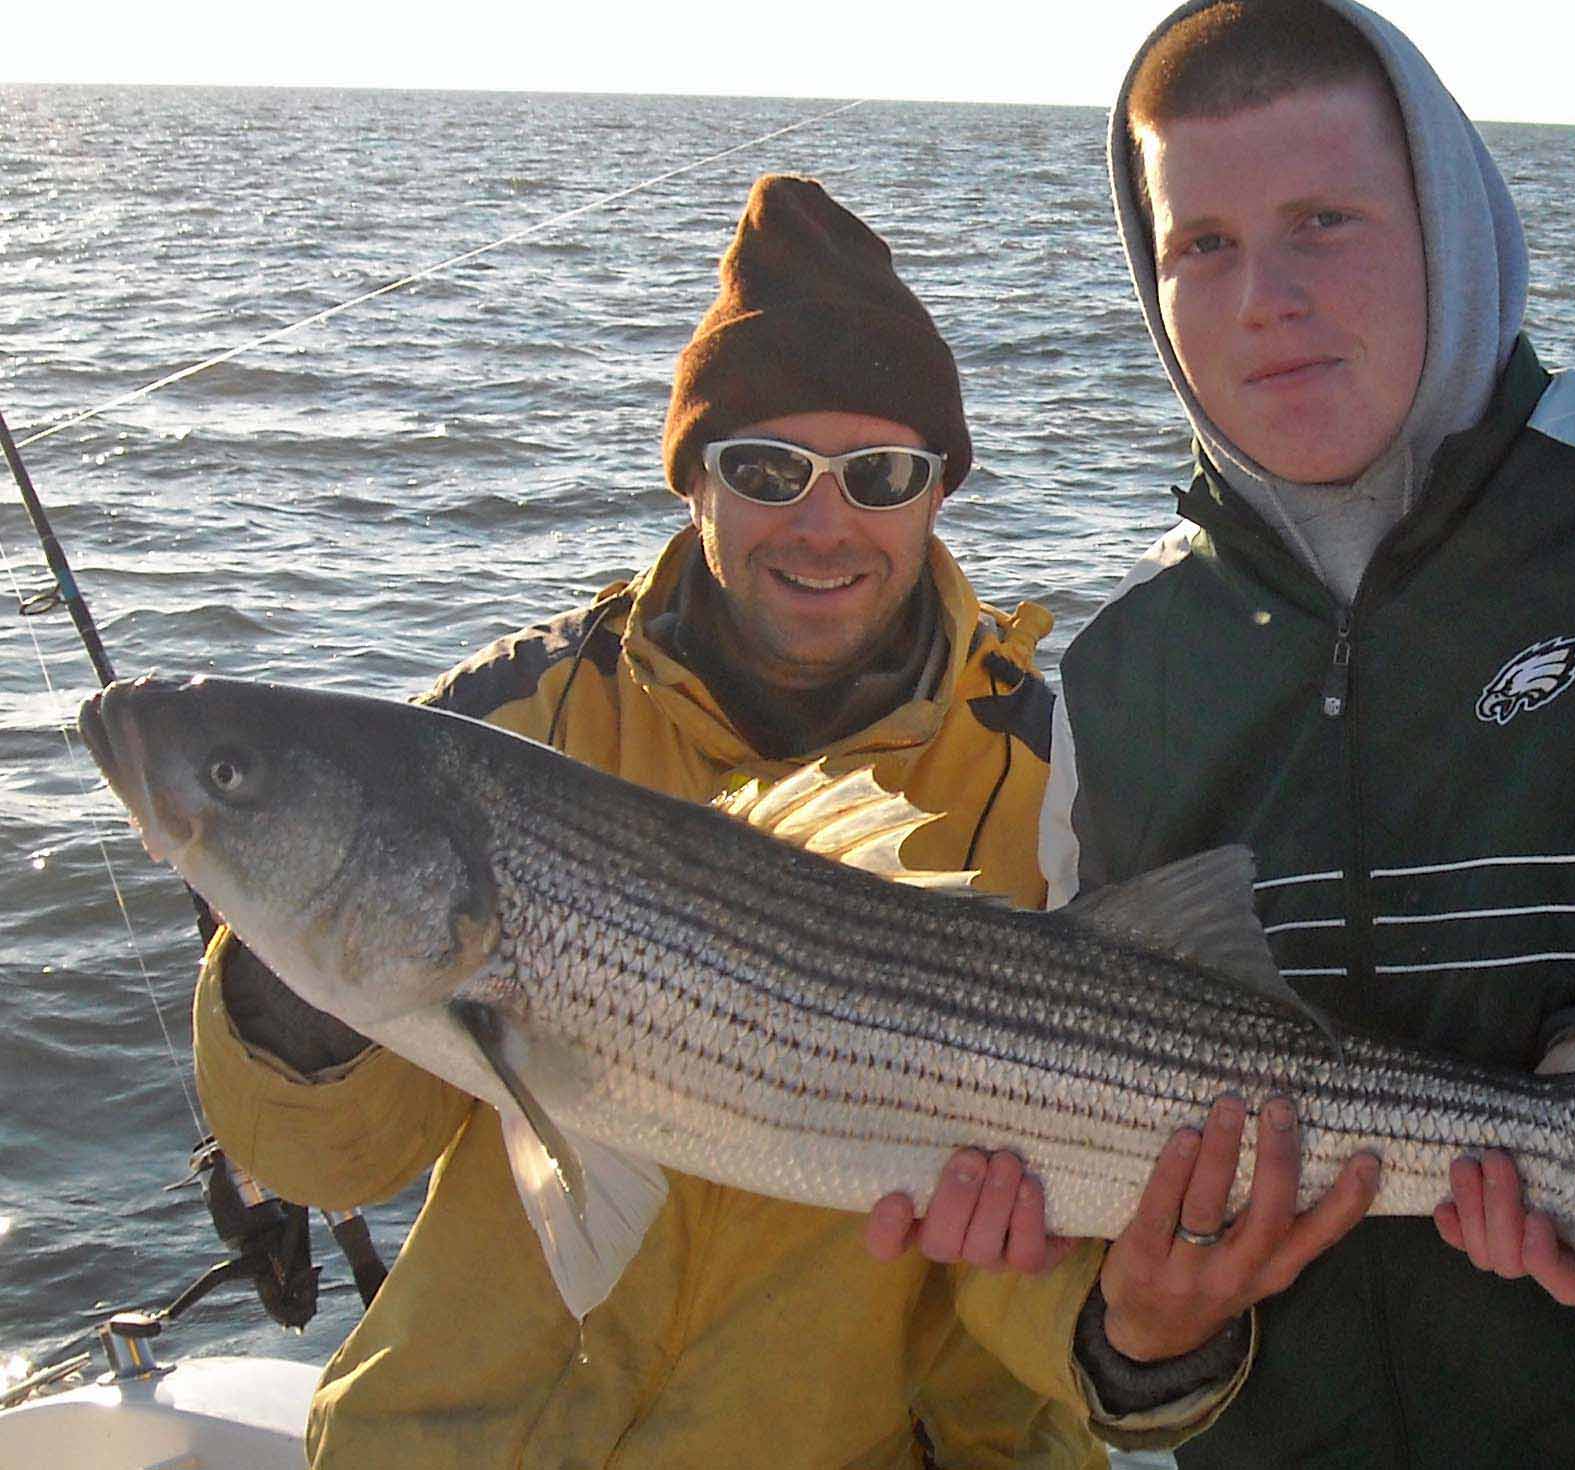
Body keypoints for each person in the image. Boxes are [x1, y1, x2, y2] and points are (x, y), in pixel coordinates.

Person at [886, 1, 1575, 1464]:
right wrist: (1130, 1334)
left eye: (1326, 219)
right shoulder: (1121, 678)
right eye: (1203, 244)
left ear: (1450, 214)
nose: (1265, 296)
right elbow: (1090, 1142)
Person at [190, 175, 1231, 1467]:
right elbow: (323, 1162)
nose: (823, 520)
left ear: (940, 491)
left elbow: (1062, 1223)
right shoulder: (508, 721)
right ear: (694, 480)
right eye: (766, 466)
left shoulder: (1056, 774)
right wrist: (293, 969)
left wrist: (1138, 1342)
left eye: (881, 472)